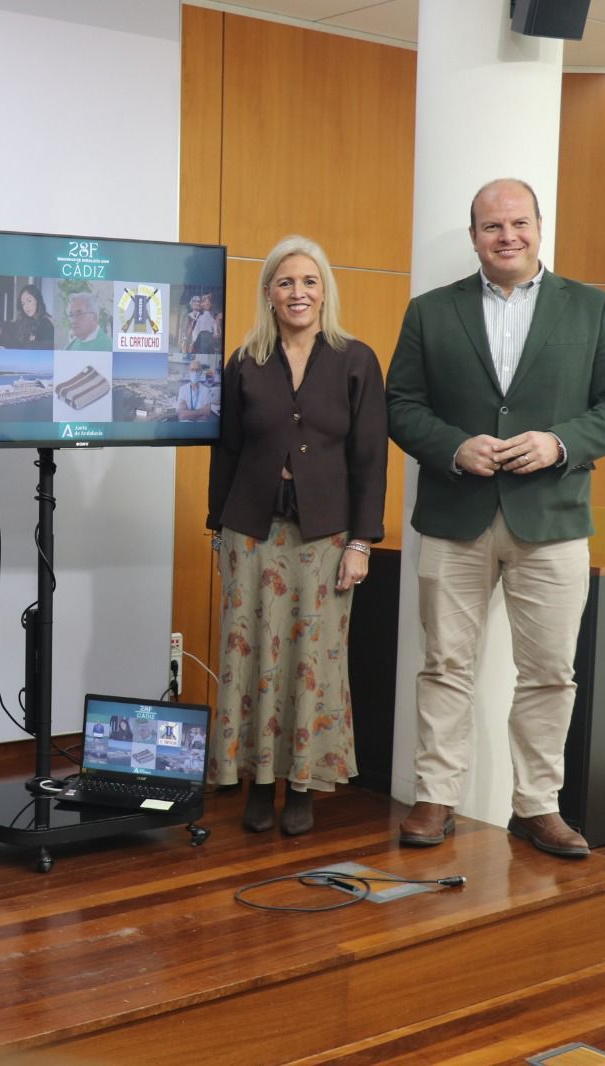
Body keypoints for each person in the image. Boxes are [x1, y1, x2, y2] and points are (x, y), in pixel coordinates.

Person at [386, 178, 605, 858]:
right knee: (444, 665)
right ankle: (436, 798)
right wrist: (452, 446)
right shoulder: (428, 312)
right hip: (455, 516)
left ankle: (536, 806)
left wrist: (559, 443)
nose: (507, 236)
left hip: (554, 519)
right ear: (473, 234)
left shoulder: (592, 309)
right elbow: (402, 405)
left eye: (518, 223)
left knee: (550, 673)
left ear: (540, 226)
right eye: (491, 226)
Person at [206, 235, 387, 837]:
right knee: (252, 653)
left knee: (313, 660)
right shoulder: (245, 361)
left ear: (324, 290)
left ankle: (303, 783)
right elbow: (226, 450)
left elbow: (369, 459)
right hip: (251, 533)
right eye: (286, 282)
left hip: (326, 540)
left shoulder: (355, 359)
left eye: (309, 282)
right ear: (269, 294)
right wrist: (217, 531)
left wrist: (362, 542)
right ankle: (259, 782)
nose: (298, 292)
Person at [1, 282, 54, 349]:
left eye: (29, 301)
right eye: (23, 304)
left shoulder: (45, 322)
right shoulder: (28, 322)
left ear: (37, 300)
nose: (26, 306)